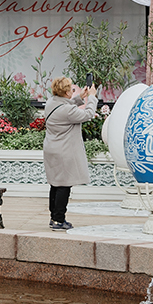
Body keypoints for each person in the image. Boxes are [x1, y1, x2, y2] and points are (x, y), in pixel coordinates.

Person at [42, 76, 100, 231]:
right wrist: (92, 97)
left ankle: (54, 218)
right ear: (66, 92)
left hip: (52, 148)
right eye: (72, 90)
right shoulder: (67, 110)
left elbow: (65, 108)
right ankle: (59, 220)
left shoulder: (50, 103)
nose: (73, 91)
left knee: (55, 183)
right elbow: (87, 115)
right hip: (64, 150)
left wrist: (80, 98)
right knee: (64, 185)